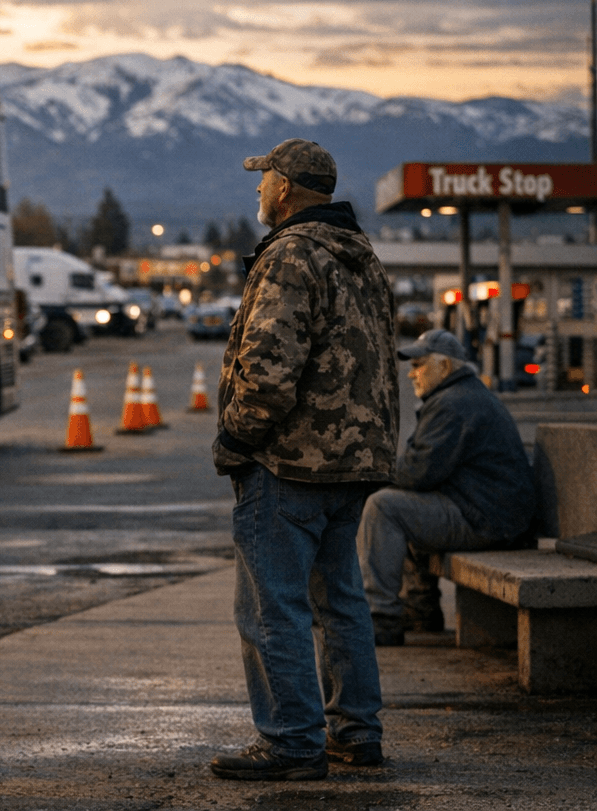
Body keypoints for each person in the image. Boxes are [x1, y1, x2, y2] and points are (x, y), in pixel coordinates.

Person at [210, 139, 398, 780]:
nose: (258, 191)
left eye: (264, 181)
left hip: (289, 463)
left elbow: (268, 369)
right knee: (341, 601)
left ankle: (292, 742)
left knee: (273, 607)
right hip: (355, 464)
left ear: (286, 188)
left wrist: (237, 439)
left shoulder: (290, 254)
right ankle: (356, 732)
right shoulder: (362, 255)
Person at [359, 329, 534, 644]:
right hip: (493, 514)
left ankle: (381, 617)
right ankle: (420, 609)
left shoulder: (453, 403)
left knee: (383, 507)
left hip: (484, 520)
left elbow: (418, 472)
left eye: (419, 365)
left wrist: (371, 474)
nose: (411, 374)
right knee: (402, 504)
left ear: (445, 367)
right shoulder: (463, 395)